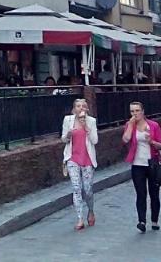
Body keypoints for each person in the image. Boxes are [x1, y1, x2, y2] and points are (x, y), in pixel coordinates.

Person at [122, 101, 161, 233]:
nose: (135, 114)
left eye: (137, 110)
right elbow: (125, 140)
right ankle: (141, 221)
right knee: (140, 194)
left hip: (152, 163)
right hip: (137, 164)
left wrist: (151, 141)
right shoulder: (130, 125)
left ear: (143, 111)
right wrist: (130, 125)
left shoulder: (153, 125)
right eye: (132, 111)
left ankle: (154, 220)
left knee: (154, 193)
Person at [61, 98, 99, 231]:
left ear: (87, 109)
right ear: (74, 109)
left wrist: (86, 128)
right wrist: (69, 134)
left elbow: (95, 141)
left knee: (87, 190)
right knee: (76, 188)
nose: (81, 108)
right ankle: (80, 218)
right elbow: (63, 139)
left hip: (87, 159)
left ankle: (91, 210)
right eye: (78, 106)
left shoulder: (91, 121)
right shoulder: (68, 120)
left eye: (83, 106)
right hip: (73, 158)